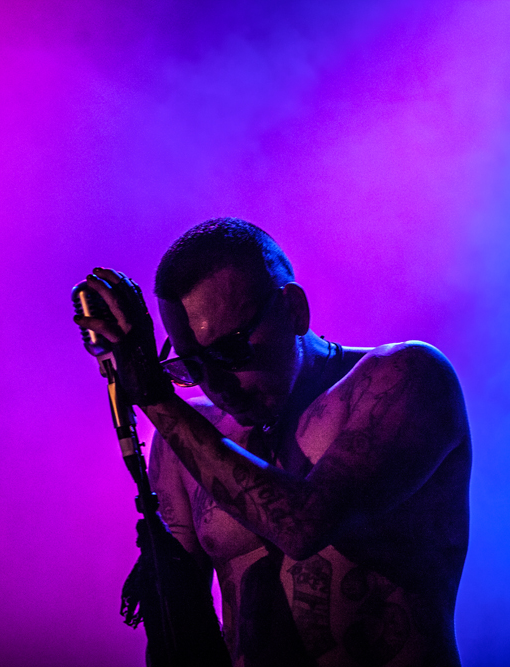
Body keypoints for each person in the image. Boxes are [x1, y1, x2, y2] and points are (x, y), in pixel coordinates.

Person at [77, 218, 471, 667]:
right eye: (194, 366)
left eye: (230, 351)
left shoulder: (404, 378)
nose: (217, 384)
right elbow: (182, 626)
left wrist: (157, 399)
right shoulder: (184, 442)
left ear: (293, 310)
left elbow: (303, 525)